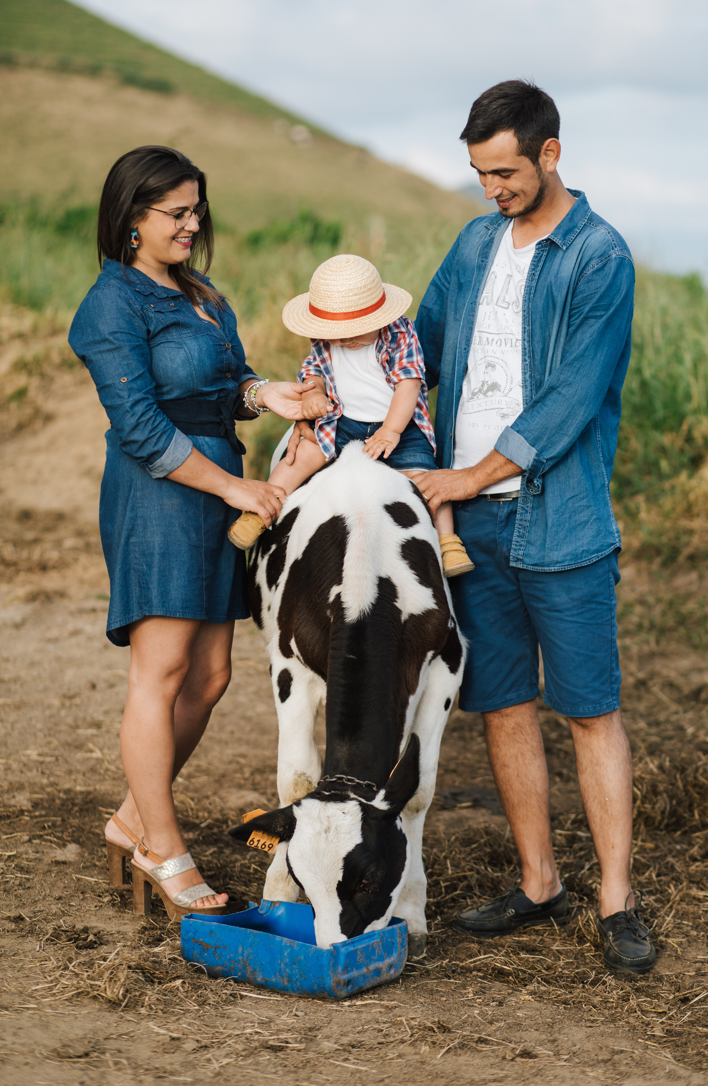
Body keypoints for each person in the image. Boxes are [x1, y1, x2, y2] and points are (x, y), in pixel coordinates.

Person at [407, 80, 656, 974]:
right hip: (470, 528)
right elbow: (422, 344)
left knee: (590, 710)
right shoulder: (475, 243)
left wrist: (471, 472)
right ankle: (539, 881)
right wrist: (350, 377)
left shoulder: (600, 256)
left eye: (506, 172)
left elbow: (571, 399)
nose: (492, 189)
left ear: (550, 153)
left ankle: (617, 901)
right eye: (481, 174)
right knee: (503, 704)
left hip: (562, 521)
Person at [68, 145, 317, 920]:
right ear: (131, 217)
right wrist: (235, 486)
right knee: (163, 670)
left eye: (196, 210)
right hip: (160, 493)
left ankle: (132, 819)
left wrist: (267, 394)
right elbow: (140, 425)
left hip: (216, 490)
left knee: (210, 677)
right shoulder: (112, 304)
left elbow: (224, 386)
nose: (191, 224)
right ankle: (163, 848)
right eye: (175, 212)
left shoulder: (202, 294)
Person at [228, 253, 474, 578]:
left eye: (355, 328)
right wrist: (314, 394)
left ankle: (448, 541)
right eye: (337, 330)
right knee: (298, 458)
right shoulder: (325, 338)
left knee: (427, 479)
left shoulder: (400, 334)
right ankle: (261, 510)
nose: (345, 338)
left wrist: (391, 431)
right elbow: (314, 371)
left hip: (399, 425)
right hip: (342, 421)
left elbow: (409, 385)